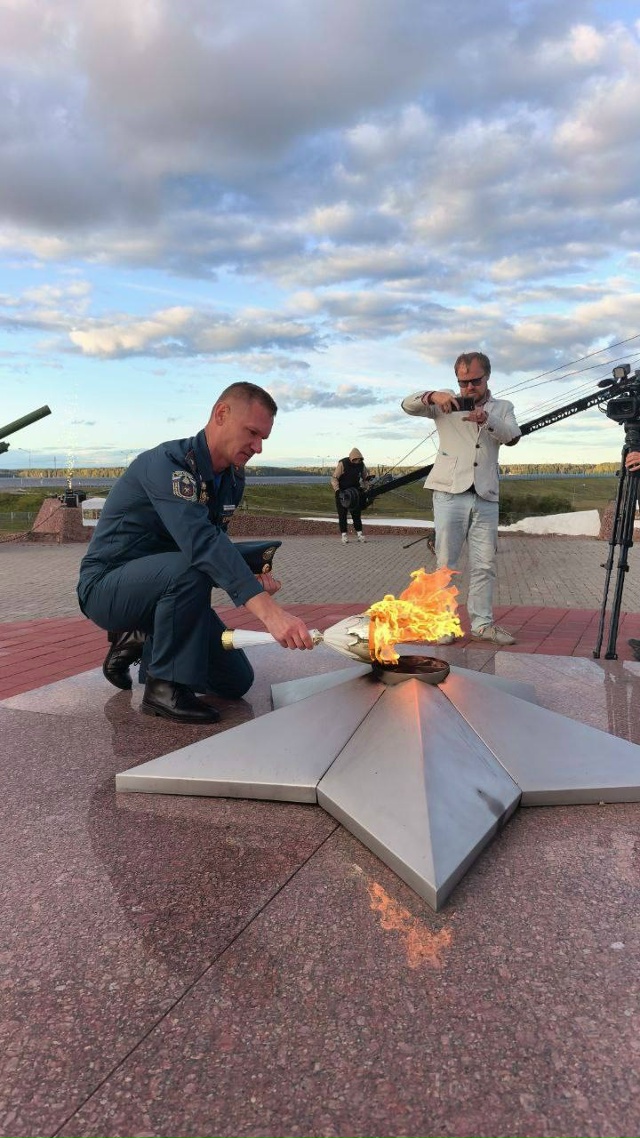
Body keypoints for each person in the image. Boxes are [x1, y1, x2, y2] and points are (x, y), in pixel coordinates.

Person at [77, 382, 314, 724]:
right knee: (188, 568)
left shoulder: (232, 477)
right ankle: (163, 688)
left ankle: (142, 639)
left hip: (165, 587)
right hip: (107, 587)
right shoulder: (166, 465)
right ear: (221, 414)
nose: (258, 447)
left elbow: (213, 545)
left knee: (236, 681)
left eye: (263, 438)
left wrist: (248, 577)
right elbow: (201, 543)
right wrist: (270, 613)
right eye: (252, 433)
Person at [401, 351, 521, 645]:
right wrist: (432, 395)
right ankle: (444, 625)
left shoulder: (503, 407)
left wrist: (487, 419)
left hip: (485, 495)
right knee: (446, 564)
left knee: (485, 564)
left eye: (474, 381)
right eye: (462, 382)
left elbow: (513, 435)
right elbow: (407, 405)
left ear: (487, 376)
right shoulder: (444, 403)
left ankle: (482, 624)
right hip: (448, 492)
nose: (468, 387)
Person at [330, 448, 372, 543]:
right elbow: (334, 478)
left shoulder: (361, 465)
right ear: (352, 458)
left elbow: (365, 478)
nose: (358, 461)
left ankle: (360, 535)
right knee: (342, 515)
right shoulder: (343, 463)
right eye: (356, 459)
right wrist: (337, 490)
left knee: (356, 515)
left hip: (354, 493)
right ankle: (344, 536)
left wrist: (367, 488)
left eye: (359, 459)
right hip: (342, 493)